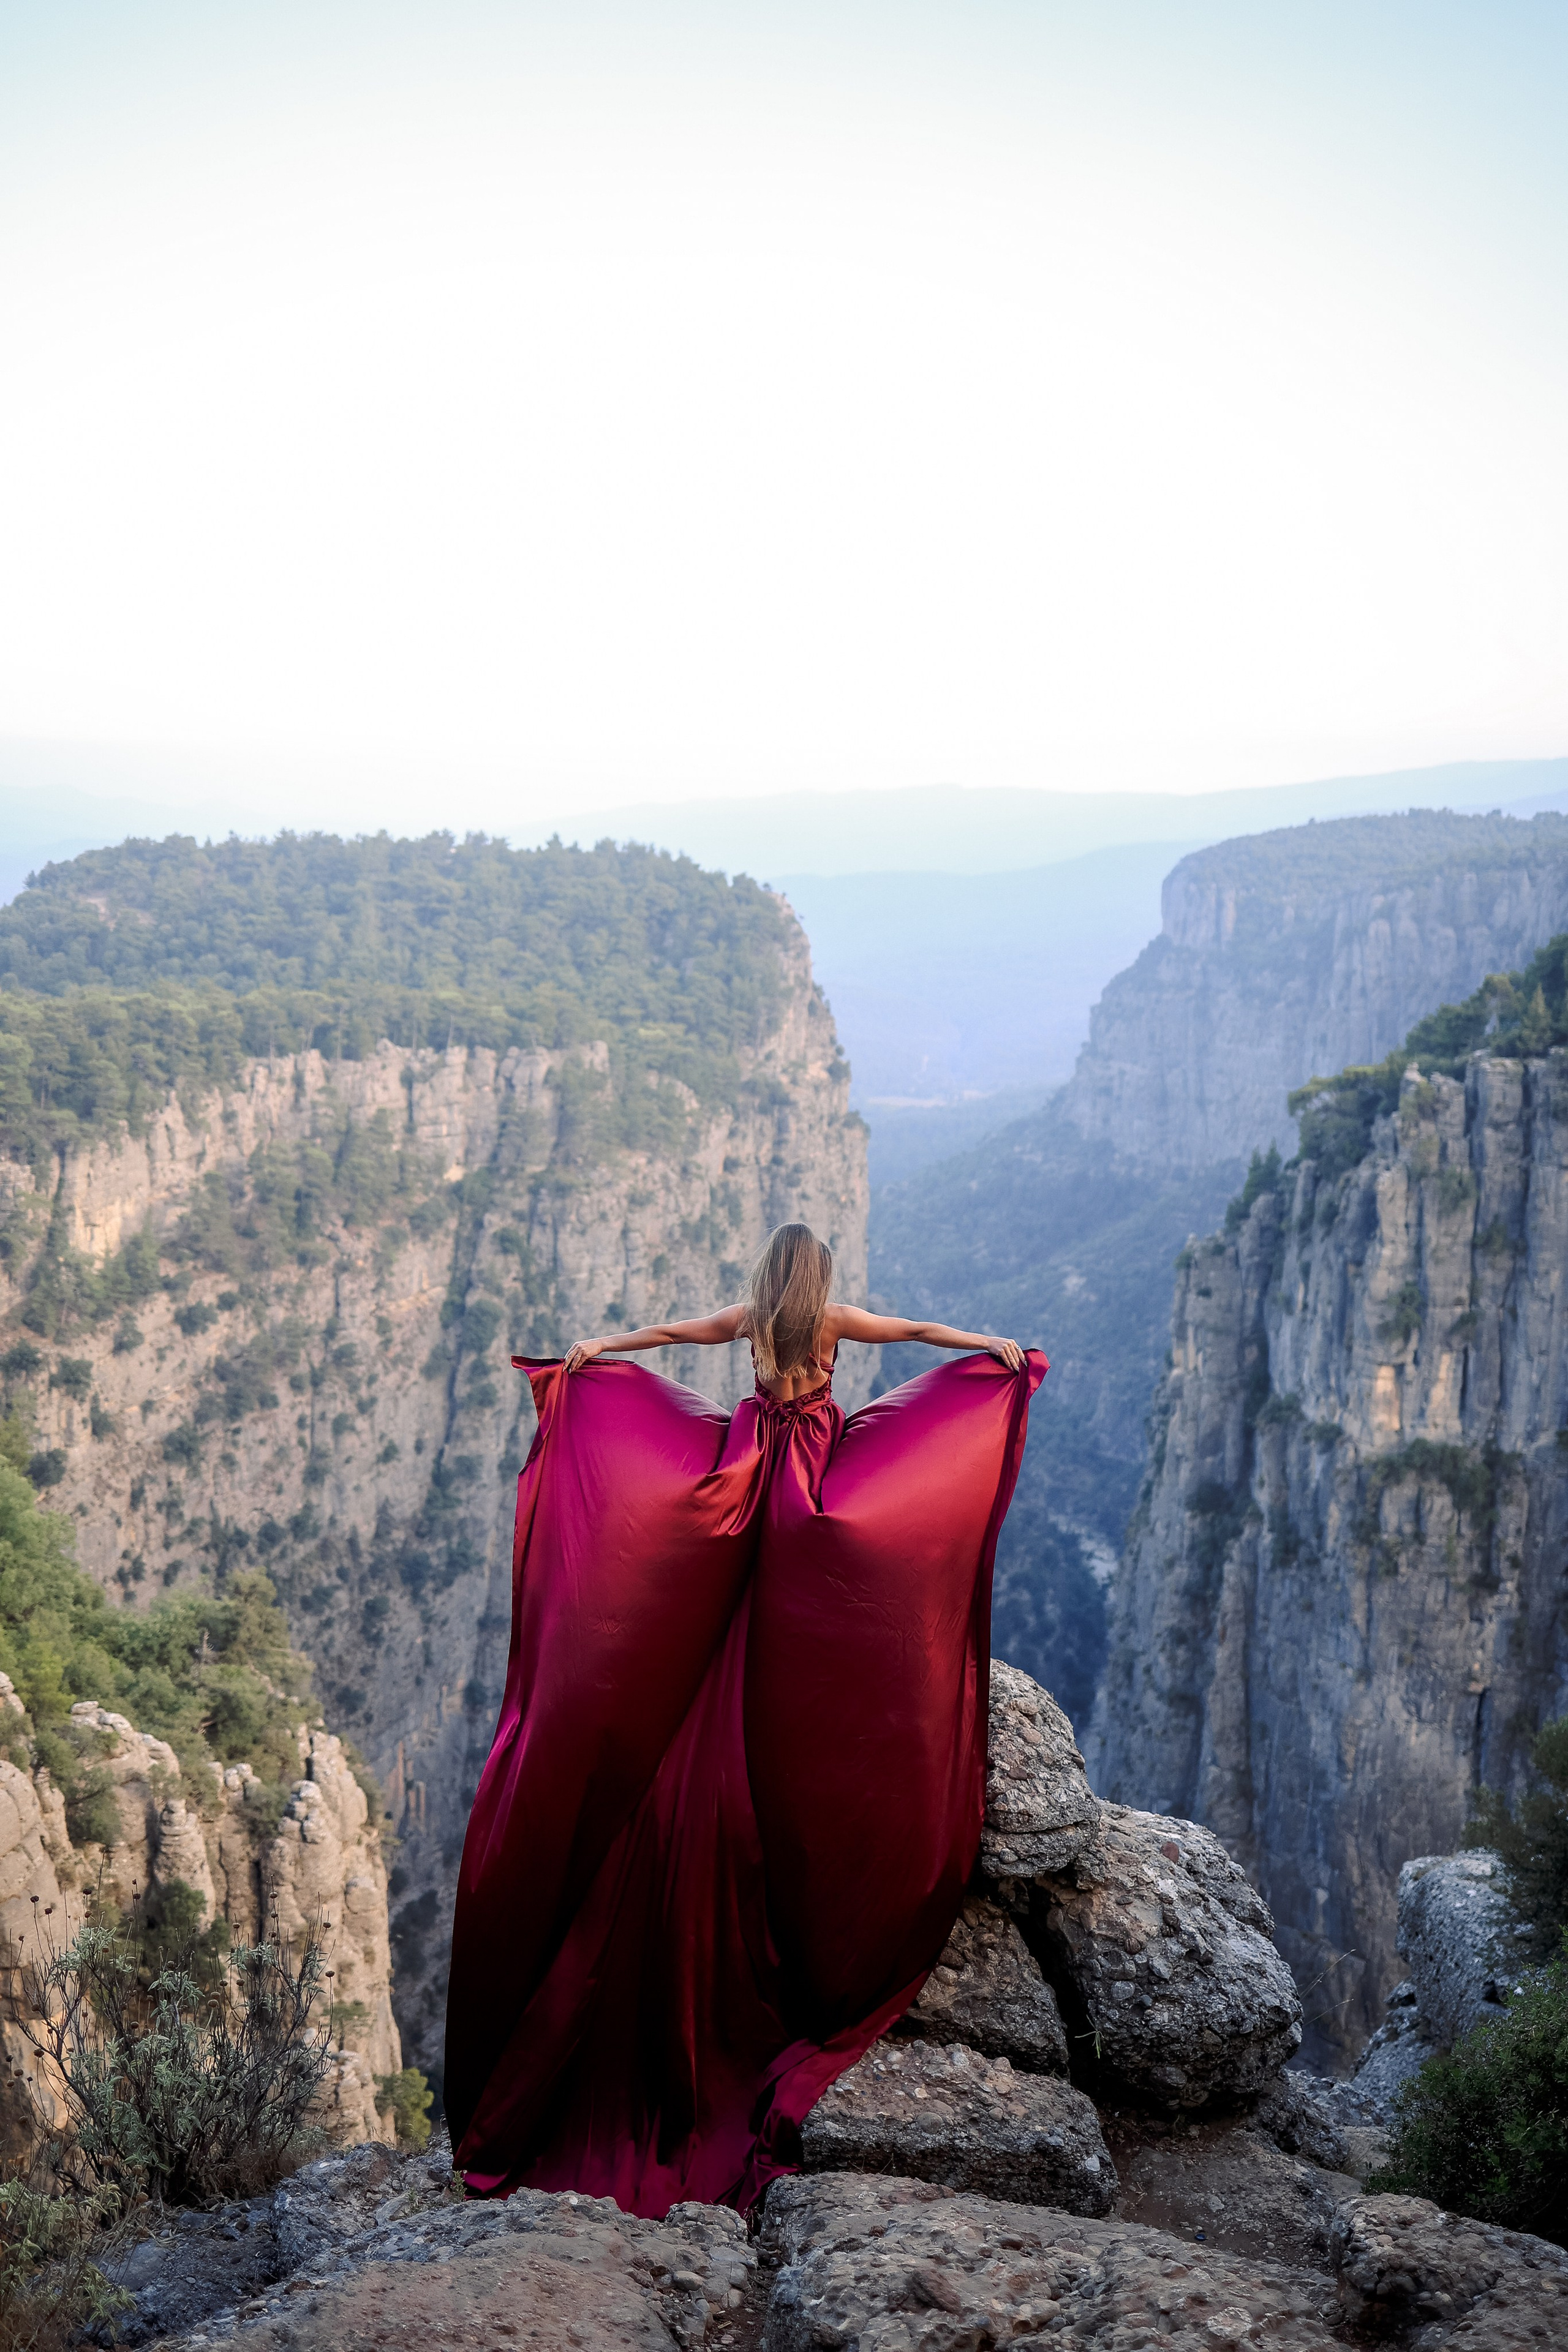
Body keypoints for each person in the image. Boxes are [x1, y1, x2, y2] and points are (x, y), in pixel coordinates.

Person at [445, 1222, 1045, 2220]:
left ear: (770, 1278)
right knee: (825, 1567)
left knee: (721, 1585)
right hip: (809, 1484)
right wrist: (993, 1351)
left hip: (748, 1468)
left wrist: (597, 1352)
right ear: (818, 1279)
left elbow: (672, 1336)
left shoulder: (750, 1320)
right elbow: (916, 1333)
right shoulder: (831, 1321)